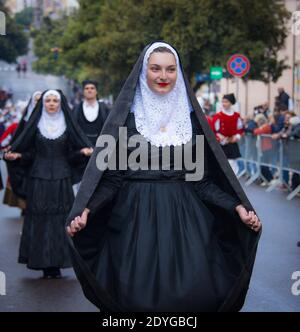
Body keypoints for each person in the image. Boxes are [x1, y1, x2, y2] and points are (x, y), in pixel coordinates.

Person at [66, 42, 261, 312]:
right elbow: (112, 179)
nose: (163, 76)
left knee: (194, 294)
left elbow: (202, 182)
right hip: (134, 220)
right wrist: (87, 208)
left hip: (187, 220)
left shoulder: (191, 122)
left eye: (170, 69)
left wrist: (236, 206)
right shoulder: (125, 120)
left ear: (178, 74)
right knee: (136, 297)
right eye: (155, 68)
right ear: (143, 71)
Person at [4, 90, 92, 279]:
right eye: (48, 100)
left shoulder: (67, 127)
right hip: (39, 181)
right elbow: (29, 154)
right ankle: (43, 262)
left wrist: (82, 152)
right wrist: (18, 156)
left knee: (61, 221)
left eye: (55, 100)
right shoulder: (35, 127)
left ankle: (59, 262)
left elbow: (70, 156)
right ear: (42, 104)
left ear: (61, 103)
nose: (51, 103)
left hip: (62, 180)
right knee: (41, 221)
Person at [2, 91, 42, 210]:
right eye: (36, 100)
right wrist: (11, 151)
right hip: (27, 158)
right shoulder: (24, 121)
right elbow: (17, 139)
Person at [212, 93, 244, 175]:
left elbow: (240, 129)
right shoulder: (218, 116)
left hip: (232, 145)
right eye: (223, 102)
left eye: (226, 102)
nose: (223, 104)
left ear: (231, 103)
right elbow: (213, 131)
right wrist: (220, 137)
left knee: (233, 166)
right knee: (221, 166)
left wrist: (237, 136)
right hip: (221, 144)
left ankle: (233, 185)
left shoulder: (236, 116)